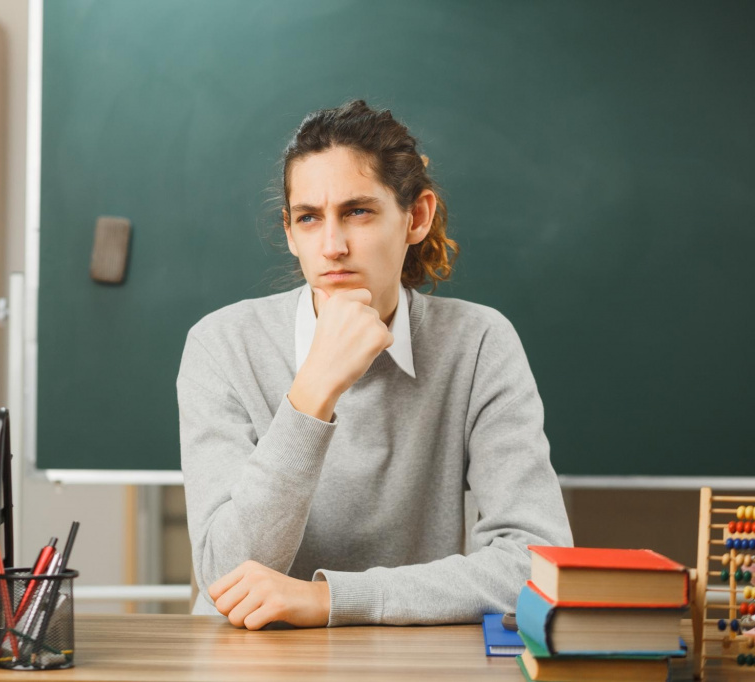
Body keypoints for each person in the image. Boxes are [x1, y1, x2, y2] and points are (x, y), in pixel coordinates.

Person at [176, 100, 572, 630]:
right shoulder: (220, 345)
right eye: (309, 218)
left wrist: (331, 599)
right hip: (250, 657)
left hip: (407, 658)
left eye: (357, 212)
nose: (333, 246)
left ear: (417, 217)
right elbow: (226, 575)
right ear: (290, 233)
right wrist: (314, 389)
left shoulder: (478, 344)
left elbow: (536, 562)